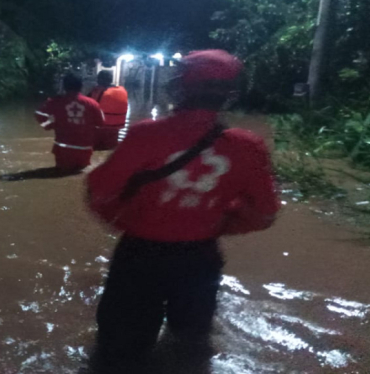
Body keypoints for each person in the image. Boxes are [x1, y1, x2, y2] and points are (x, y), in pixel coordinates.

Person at [85, 50, 280, 373]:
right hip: (199, 259)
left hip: (139, 255)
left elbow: (100, 191)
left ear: (180, 87)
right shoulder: (248, 146)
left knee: (118, 349)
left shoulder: (146, 134)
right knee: (189, 345)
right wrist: (216, 222)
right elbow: (265, 214)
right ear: (229, 94)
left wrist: (125, 219)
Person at [35, 73, 105, 171]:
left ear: (64, 86)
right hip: (84, 149)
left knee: (60, 172)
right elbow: (101, 123)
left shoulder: (55, 101)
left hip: (63, 149)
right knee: (80, 173)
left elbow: (39, 114)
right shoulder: (93, 103)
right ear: (81, 86)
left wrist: (49, 125)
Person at [87, 71, 129, 150]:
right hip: (114, 132)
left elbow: (85, 106)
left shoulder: (97, 92)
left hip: (98, 132)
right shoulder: (121, 91)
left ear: (99, 80)